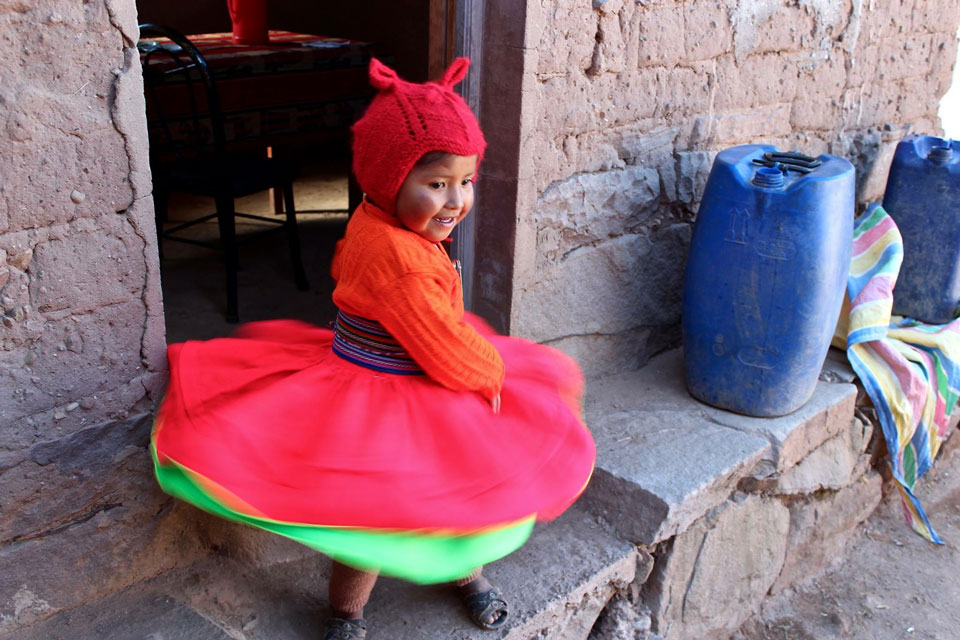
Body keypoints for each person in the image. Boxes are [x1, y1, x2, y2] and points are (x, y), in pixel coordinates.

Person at [150, 57, 596, 640]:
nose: (456, 199)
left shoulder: (379, 219)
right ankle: (348, 614)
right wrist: (497, 376)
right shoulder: (401, 263)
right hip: (397, 386)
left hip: (393, 363)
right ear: (386, 180)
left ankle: (459, 575)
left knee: (448, 487)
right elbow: (445, 352)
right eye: (436, 183)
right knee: (381, 510)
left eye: (466, 180)